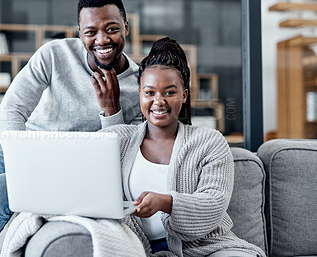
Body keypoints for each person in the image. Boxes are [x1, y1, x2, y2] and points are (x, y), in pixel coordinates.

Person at [0, 0, 141, 256]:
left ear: (126, 26)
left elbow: (122, 157)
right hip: (20, 149)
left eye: (111, 28)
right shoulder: (55, 54)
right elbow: (10, 111)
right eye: (91, 32)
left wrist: (111, 110)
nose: (102, 39)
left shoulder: (138, 86)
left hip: (73, 165)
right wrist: (25, 163)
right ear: (79, 32)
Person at [101, 37, 266, 256]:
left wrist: (166, 202)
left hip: (205, 248)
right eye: (150, 92)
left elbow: (214, 204)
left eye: (169, 92)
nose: (158, 101)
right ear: (140, 94)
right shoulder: (118, 140)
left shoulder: (209, 141)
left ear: (184, 95)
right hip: (137, 248)